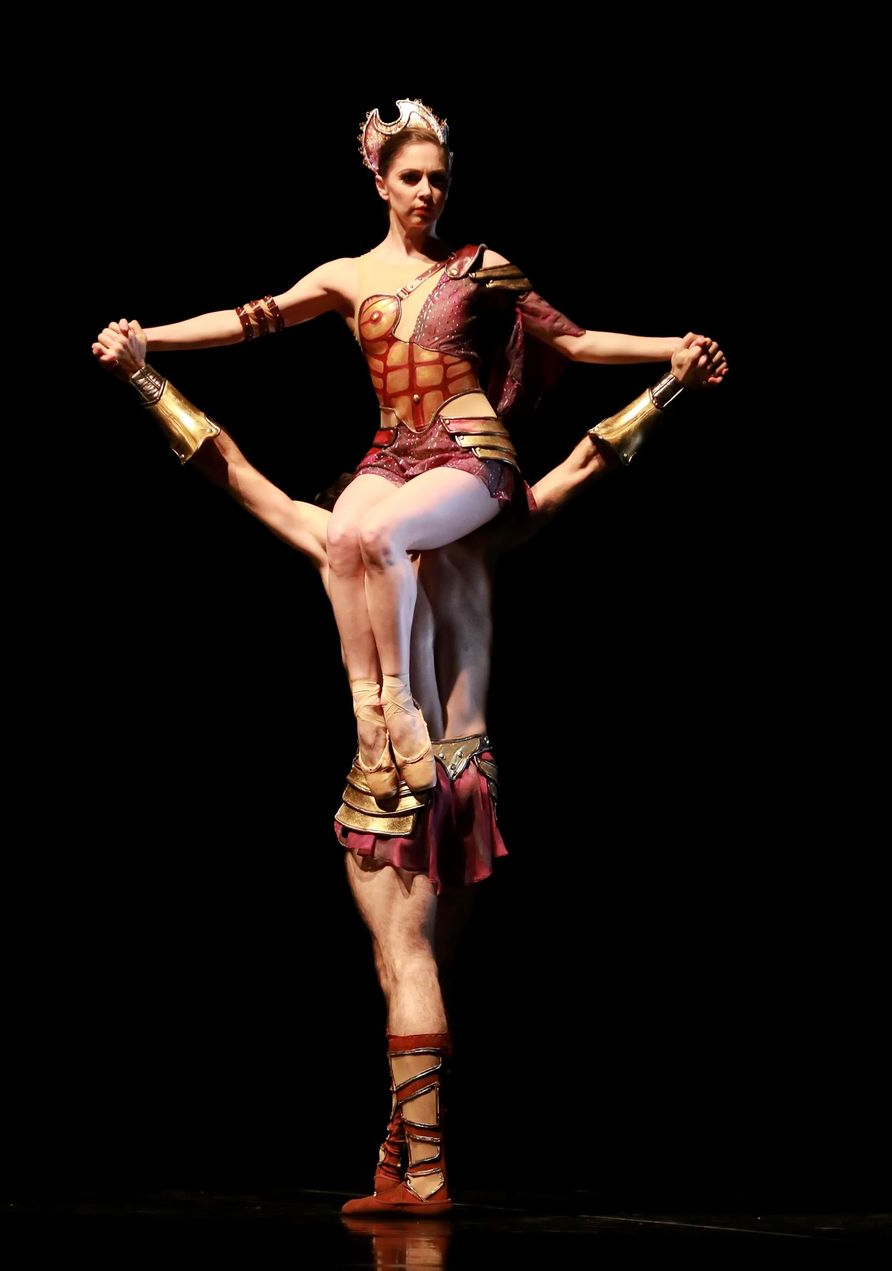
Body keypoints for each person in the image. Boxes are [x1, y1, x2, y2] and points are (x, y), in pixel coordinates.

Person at [94, 318, 724, 1215]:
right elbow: (590, 460)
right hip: (475, 771)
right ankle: (401, 1150)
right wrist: (670, 389)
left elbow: (228, 469)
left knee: (404, 958)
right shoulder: (482, 536)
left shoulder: (345, 540)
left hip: (400, 775)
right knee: (427, 966)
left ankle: (423, 1170)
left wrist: (142, 381)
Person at [92, 98, 727, 811]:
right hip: (393, 452)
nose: (428, 192)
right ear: (381, 184)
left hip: (470, 453)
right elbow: (246, 322)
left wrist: (672, 351)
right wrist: (148, 340)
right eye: (413, 178)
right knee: (342, 536)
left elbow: (575, 341)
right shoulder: (347, 276)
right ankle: (369, 714)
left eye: (439, 180)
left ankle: (400, 701)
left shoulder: (478, 265)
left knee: (385, 532)